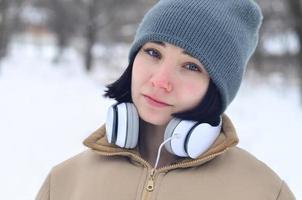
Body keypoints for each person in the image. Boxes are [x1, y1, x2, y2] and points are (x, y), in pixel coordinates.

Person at [36, 0, 296, 199]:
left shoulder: (264, 192)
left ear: (217, 87)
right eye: (153, 52)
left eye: (191, 66)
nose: (160, 81)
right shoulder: (64, 183)